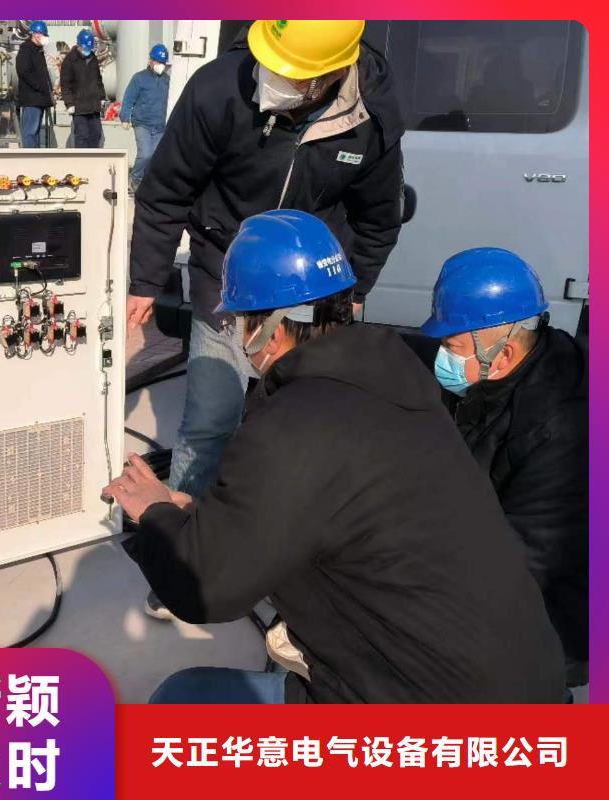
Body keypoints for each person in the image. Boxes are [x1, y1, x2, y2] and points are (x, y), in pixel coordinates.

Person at [103, 210, 565, 704]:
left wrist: (155, 514)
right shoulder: (400, 381)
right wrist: (204, 520)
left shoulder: (293, 426)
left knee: (183, 701)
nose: (238, 335)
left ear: (270, 330)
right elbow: (326, 508)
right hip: (531, 690)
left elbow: (205, 589)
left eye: (239, 322)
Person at [128, 19, 405, 618]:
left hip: (312, 298)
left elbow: (378, 218)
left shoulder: (372, 118)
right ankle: (182, 562)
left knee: (304, 432)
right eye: (270, 64)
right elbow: (165, 191)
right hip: (224, 285)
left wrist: (354, 290)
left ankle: (294, 572)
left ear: (331, 74)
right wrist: (146, 281)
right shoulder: (217, 90)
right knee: (210, 422)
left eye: (292, 75)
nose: (273, 80)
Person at [421, 247, 588, 690]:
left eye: (451, 347)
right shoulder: (497, 373)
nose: (442, 357)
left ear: (505, 352)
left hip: (558, 613)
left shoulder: (562, 429)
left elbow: (522, 560)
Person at [120, 44, 171, 192]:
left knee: (155, 157)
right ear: (151, 60)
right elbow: (128, 98)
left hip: (160, 125)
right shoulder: (139, 78)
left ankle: (147, 183)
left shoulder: (167, 80)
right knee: (145, 154)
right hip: (142, 124)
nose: (160, 65)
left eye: (163, 63)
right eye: (158, 62)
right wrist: (125, 118)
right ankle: (135, 179)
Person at [60, 29, 106, 148]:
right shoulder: (70, 61)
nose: (87, 51)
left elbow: (98, 80)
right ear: (79, 45)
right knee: (82, 136)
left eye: (89, 49)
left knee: (96, 135)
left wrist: (102, 97)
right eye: (85, 48)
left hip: (94, 107)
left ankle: (93, 159)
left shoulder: (93, 58)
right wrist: (69, 104)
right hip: (79, 108)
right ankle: (81, 160)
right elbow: (65, 84)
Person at [16, 21, 54, 148]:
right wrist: (40, 86)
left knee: (35, 132)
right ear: (36, 34)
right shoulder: (26, 50)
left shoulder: (38, 51)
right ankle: (29, 157)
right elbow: (23, 71)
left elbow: (43, 74)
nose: (45, 38)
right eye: (43, 35)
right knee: (30, 133)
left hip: (39, 99)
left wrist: (48, 92)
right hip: (31, 99)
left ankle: (35, 156)